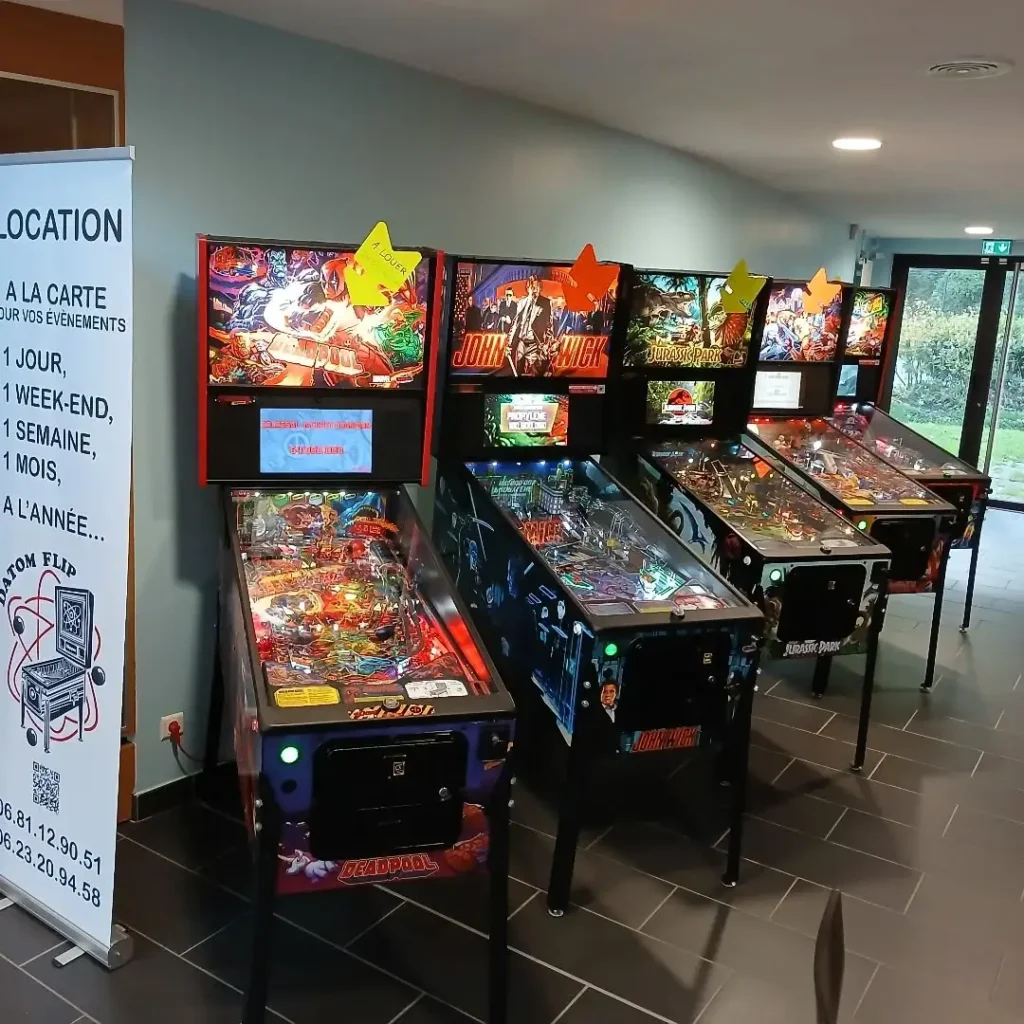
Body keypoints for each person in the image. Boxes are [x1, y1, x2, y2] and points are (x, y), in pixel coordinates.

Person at [507, 275, 552, 375]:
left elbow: (549, 326)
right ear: (528, 289)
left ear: (540, 288)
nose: (535, 290)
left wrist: (546, 343)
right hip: (521, 343)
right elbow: (515, 324)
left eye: (537, 287)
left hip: (535, 344)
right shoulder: (521, 303)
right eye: (532, 287)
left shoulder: (545, 303)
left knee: (536, 373)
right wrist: (509, 343)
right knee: (518, 372)